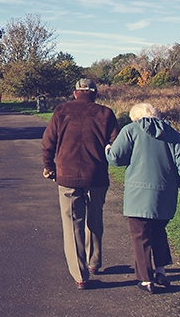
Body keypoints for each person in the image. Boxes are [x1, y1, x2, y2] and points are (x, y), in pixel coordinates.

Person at [105, 103, 180, 294]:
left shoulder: (131, 130)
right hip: (165, 194)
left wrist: (107, 149)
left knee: (141, 236)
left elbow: (115, 158)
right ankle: (161, 271)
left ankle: (146, 279)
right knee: (159, 231)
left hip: (138, 195)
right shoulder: (172, 134)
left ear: (135, 117)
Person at [41, 78, 119, 289]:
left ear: (75, 93)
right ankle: (94, 262)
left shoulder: (61, 111)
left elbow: (48, 141)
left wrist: (49, 166)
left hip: (67, 175)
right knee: (95, 218)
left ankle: (80, 275)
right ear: (95, 93)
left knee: (72, 224)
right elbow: (115, 144)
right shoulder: (106, 113)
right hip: (97, 176)